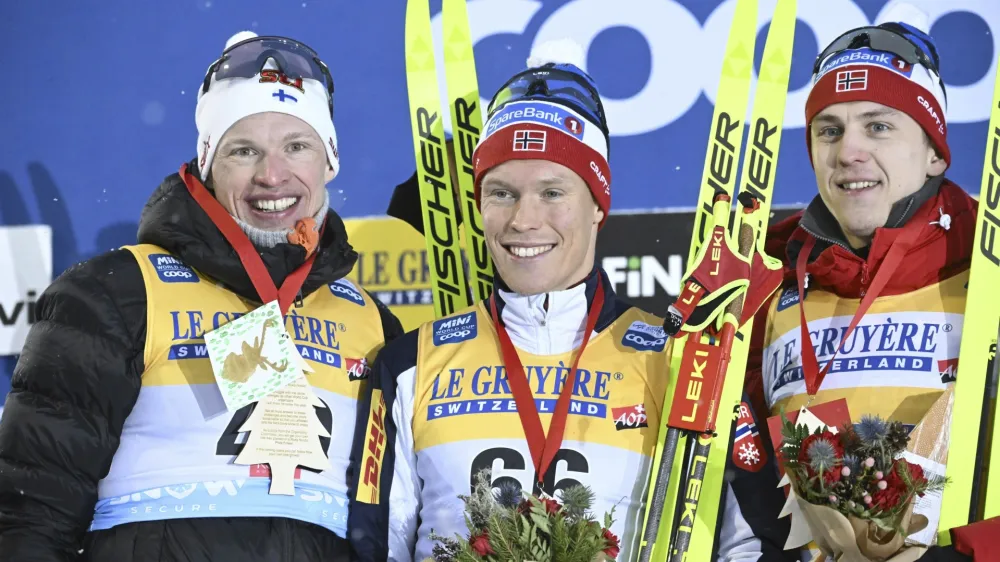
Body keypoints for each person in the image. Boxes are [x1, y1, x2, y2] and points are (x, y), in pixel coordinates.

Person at [0, 31, 402, 561]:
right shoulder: (117, 293)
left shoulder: (374, 325)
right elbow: (32, 512)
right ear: (208, 164)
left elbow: (389, 527)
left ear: (329, 162)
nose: (272, 175)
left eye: (297, 146)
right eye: (244, 150)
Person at [346, 42, 673, 561]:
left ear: (598, 205)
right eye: (501, 193)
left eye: (552, 192)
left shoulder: (673, 362)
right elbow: (375, 547)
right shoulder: (409, 366)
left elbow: (739, 544)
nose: (523, 220)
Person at [718, 9, 997, 562]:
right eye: (830, 130)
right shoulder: (768, 286)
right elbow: (741, 484)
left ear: (935, 151)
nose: (848, 152)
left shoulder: (987, 273)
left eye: (879, 125)